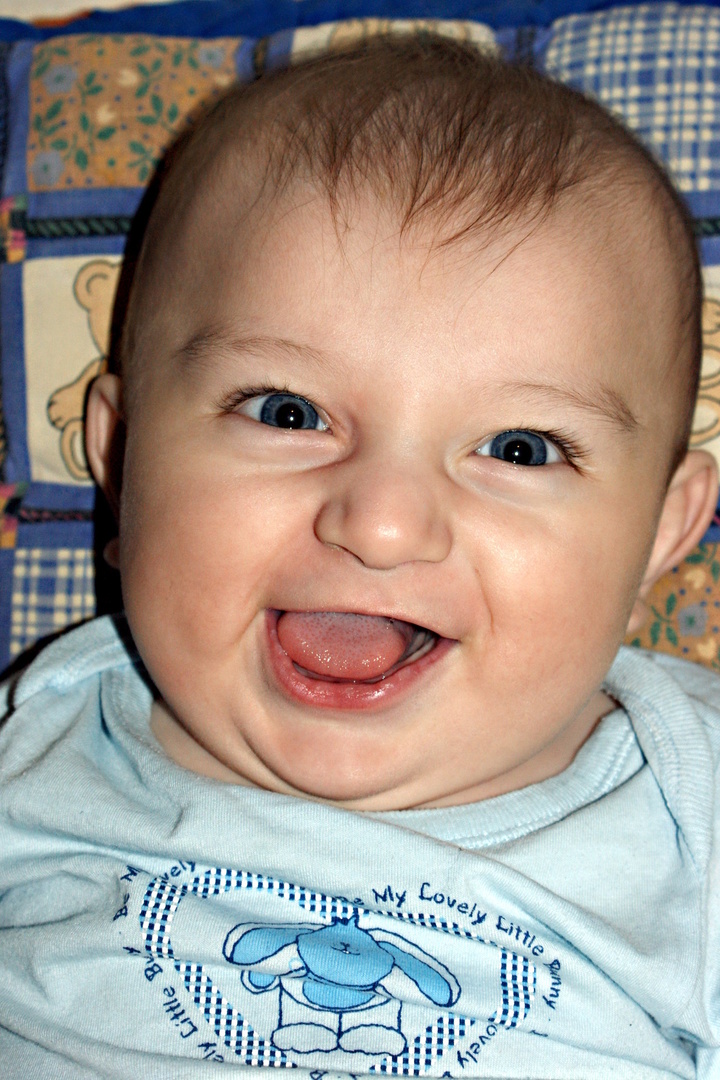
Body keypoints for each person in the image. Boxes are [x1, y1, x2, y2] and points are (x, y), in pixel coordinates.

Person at [1, 33, 719, 1078]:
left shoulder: (691, 799)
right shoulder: (32, 750)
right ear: (120, 458)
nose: (381, 525)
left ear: (659, 530)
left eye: (519, 449)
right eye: (286, 412)